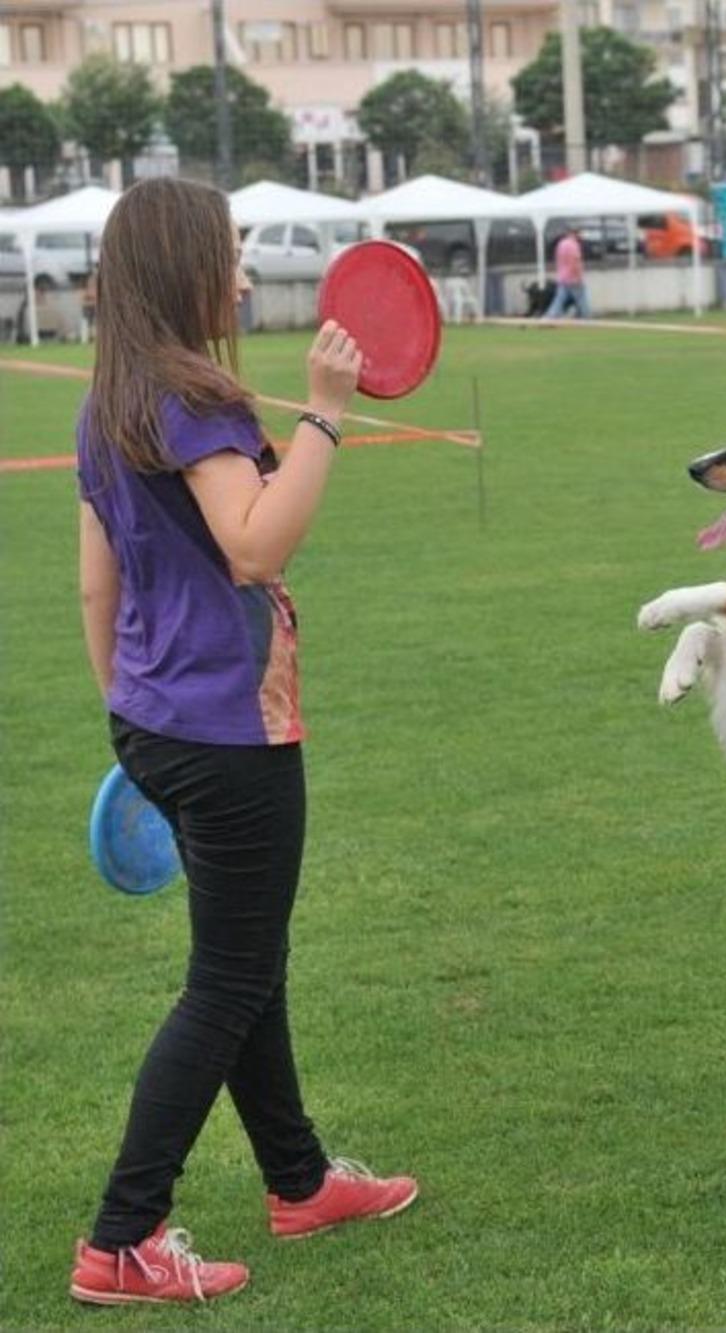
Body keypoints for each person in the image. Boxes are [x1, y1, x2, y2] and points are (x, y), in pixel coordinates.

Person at [71, 177, 417, 1308]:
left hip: (157, 720)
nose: (242, 270)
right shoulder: (197, 399)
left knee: (245, 954)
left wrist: (136, 722)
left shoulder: (108, 399)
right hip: (230, 732)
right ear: (185, 269)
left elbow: (94, 585)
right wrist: (323, 411)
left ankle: (301, 1180)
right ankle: (125, 1236)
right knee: (228, 977)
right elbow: (257, 546)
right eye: (228, 251)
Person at [542, 226, 590, 319]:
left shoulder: (561, 244)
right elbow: (575, 260)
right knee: (582, 299)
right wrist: (578, 275)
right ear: (574, 234)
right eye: (579, 234)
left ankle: (549, 318)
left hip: (562, 277)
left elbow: (558, 259)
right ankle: (586, 317)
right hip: (573, 278)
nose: (580, 236)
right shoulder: (574, 245)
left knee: (559, 299)